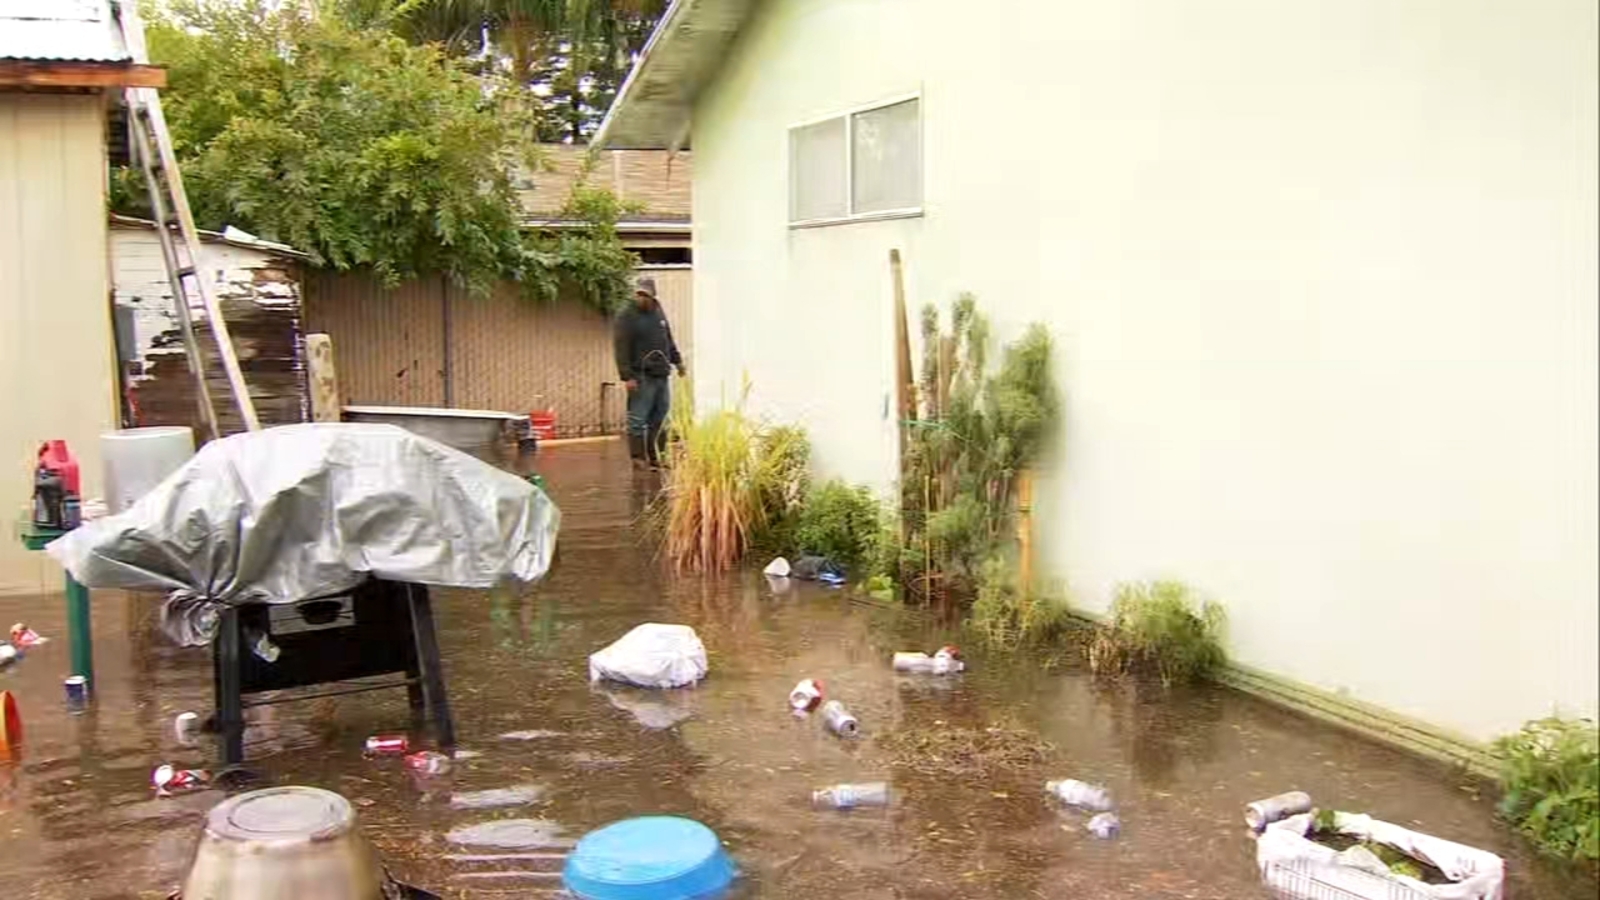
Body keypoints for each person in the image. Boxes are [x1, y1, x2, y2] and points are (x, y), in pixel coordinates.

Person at [613, 276, 685, 468]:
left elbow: (667, 338)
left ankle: (657, 457)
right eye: (638, 294)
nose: (641, 298)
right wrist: (627, 376)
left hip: (661, 374)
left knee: (660, 418)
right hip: (641, 376)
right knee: (638, 418)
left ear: (653, 296)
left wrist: (677, 361)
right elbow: (621, 347)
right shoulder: (626, 315)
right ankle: (638, 458)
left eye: (645, 295)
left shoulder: (658, 311)